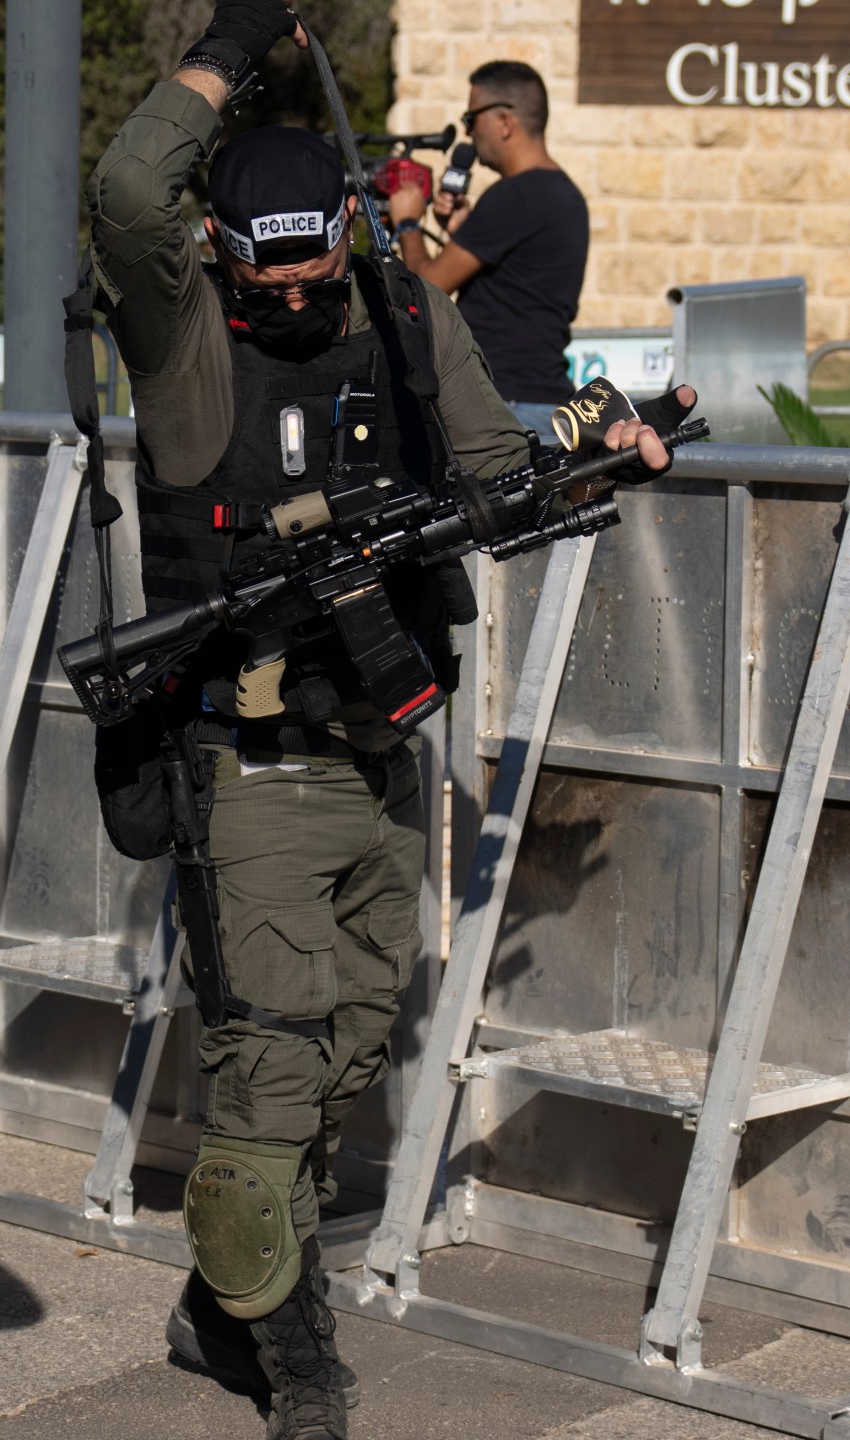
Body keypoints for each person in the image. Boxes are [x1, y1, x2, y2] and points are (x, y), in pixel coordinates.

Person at [86, 4, 676, 1437]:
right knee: (271, 1058)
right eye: (263, 255)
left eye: (312, 249)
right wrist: (236, 42)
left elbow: (494, 463)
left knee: (354, 1038)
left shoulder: (404, 311)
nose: (293, 282)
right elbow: (123, 190)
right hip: (252, 752)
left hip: (377, 744)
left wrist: (595, 465)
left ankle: (219, 1300)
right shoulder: (186, 346)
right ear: (221, 249)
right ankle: (289, 1355)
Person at [387, 60, 590, 419]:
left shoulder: (513, 195)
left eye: (471, 120)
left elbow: (428, 288)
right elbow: (519, 280)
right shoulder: (565, 194)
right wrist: (462, 230)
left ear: (505, 122)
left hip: (504, 402)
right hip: (544, 398)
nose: (469, 135)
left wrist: (407, 223)